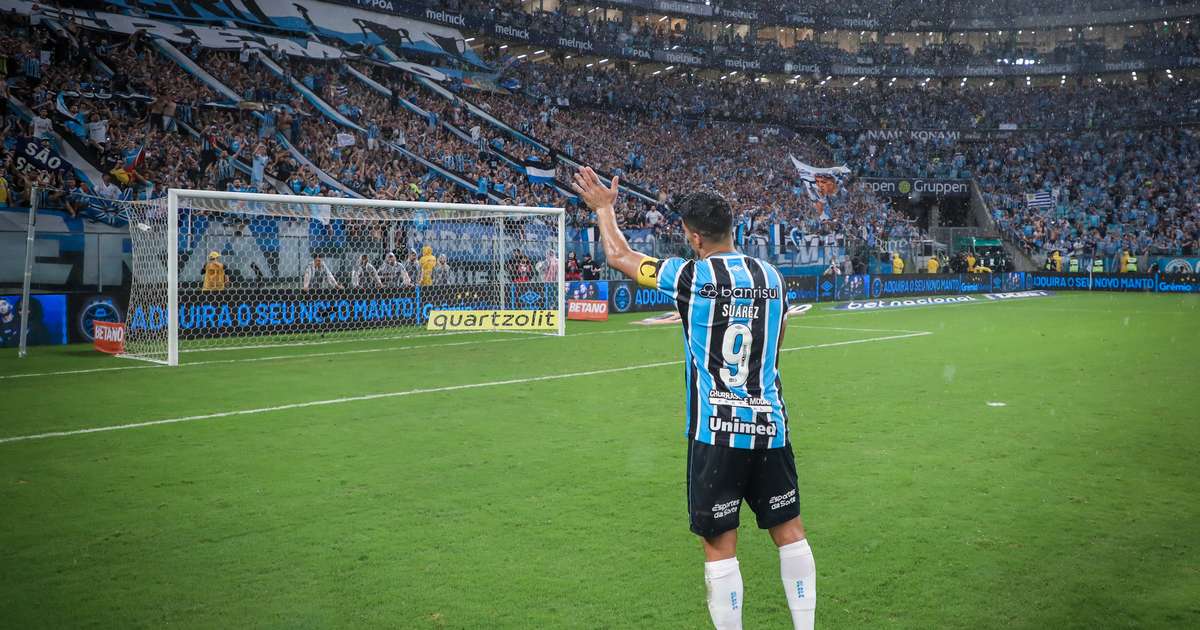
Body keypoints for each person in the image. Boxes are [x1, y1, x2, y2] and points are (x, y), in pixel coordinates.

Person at [571, 166, 815, 630]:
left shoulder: (690, 278)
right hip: (770, 429)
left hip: (716, 434)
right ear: (733, 228)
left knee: (720, 547)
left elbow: (619, 255)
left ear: (694, 237)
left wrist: (604, 208)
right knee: (791, 533)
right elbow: (776, 346)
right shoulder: (774, 279)